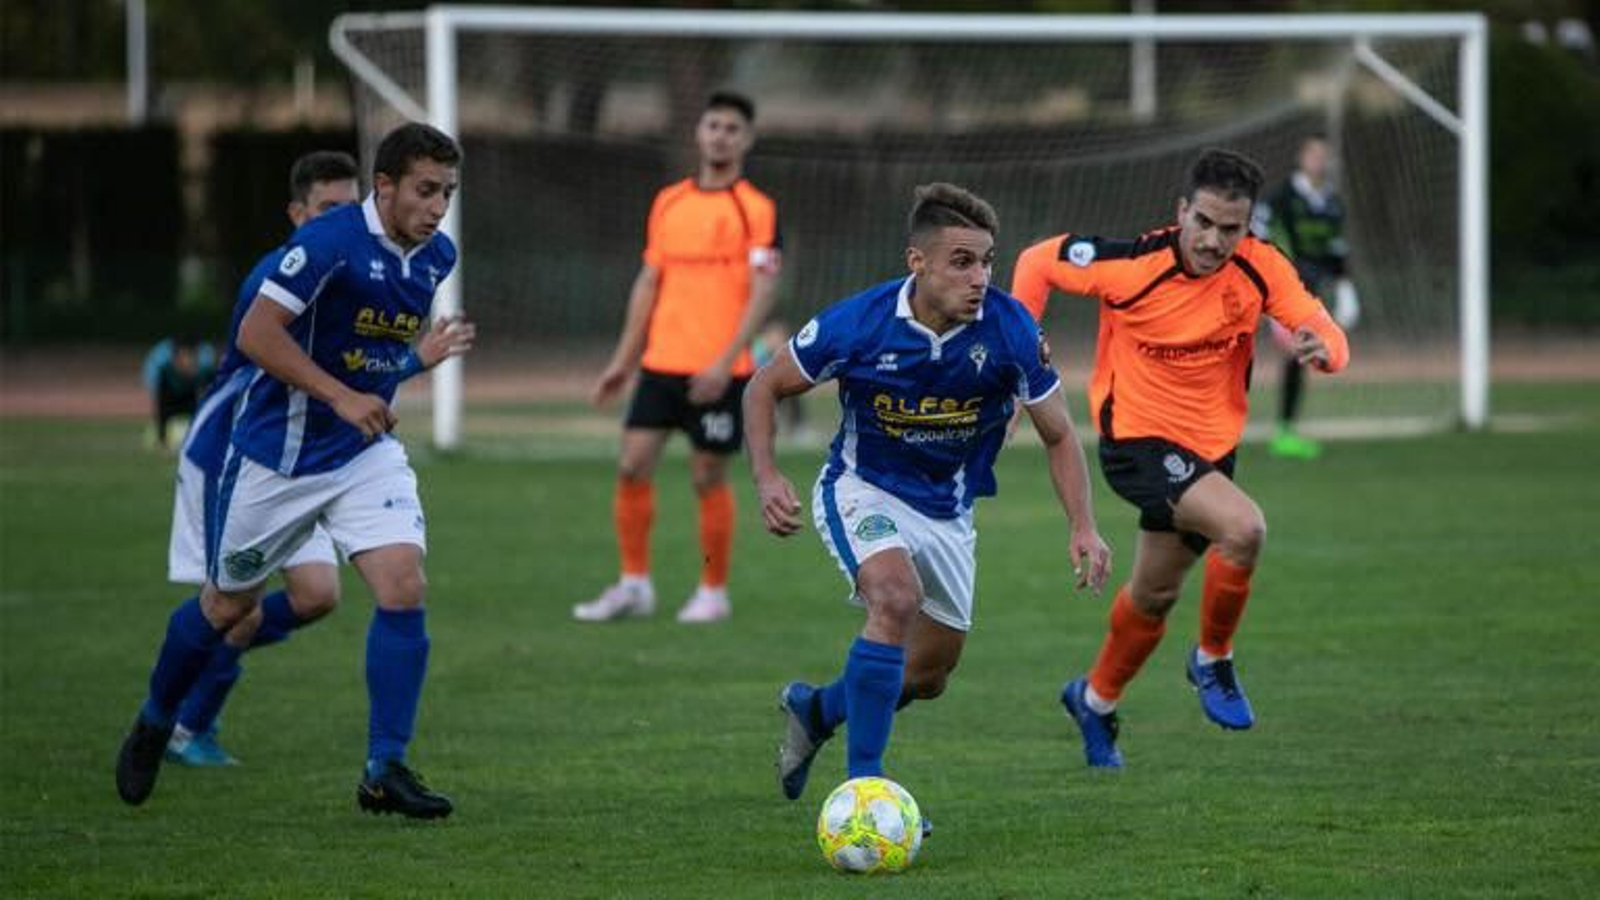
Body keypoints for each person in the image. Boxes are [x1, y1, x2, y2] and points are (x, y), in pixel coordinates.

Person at [115, 122, 475, 818]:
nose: (438, 207)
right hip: (276, 460)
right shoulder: (326, 245)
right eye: (426, 190)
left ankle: (384, 768)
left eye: (448, 193)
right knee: (227, 606)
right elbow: (256, 334)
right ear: (386, 186)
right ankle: (157, 718)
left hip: (362, 454)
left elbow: (365, 355)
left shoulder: (436, 258)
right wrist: (340, 396)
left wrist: (406, 367)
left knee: (402, 585)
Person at [748, 183, 1111, 805]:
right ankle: (867, 788)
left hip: (948, 509)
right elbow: (763, 386)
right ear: (918, 263)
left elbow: (1058, 433)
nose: (980, 278)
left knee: (927, 675)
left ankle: (815, 711)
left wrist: (1083, 524)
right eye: (962, 262)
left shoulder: (1009, 329)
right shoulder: (859, 324)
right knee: (894, 599)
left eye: (987, 261)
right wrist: (766, 475)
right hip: (863, 489)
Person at [1011, 148, 1350, 769]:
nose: (1215, 240)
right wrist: (1019, 354)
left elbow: (1325, 329)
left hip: (1210, 454)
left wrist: (1323, 350)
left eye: (1232, 228)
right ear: (1182, 212)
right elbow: (1037, 261)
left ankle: (1095, 700)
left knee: (1154, 595)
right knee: (1244, 529)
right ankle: (1213, 660)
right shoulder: (1132, 264)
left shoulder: (1262, 267)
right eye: (1204, 223)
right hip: (1136, 444)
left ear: (1248, 226)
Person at [576, 90, 782, 624]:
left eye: (732, 129)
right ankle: (633, 584)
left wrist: (725, 360)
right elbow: (649, 281)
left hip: (721, 371)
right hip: (661, 363)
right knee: (632, 465)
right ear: (698, 132)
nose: (720, 135)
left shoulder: (756, 208)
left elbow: (764, 291)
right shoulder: (669, 201)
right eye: (712, 125)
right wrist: (624, 360)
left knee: (707, 478)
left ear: (747, 139)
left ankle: (713, 590)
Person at [1253, 134, 1360, 460]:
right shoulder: (1281, 197)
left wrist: (1345, 287)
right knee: (1292, 351)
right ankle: (1281, 431)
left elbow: (1336, 249)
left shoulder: (1331, 204)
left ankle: (1285, 431)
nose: (1319, 160)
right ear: (1301, 157)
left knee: (1298, 355)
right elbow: (1258, 233)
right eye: (1313, 153)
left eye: (1324, 155)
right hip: (1278, 290)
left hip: (1310, 293)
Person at [142, 334, 216, 449]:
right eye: (184, 356)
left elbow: (213, 396)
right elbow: (161, 406)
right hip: (172, 405)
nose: (188, 361)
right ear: (175, 357)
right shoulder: (165, 372)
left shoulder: (204, 369)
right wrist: (162, 439)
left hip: (191, 404)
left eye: (191, 356)